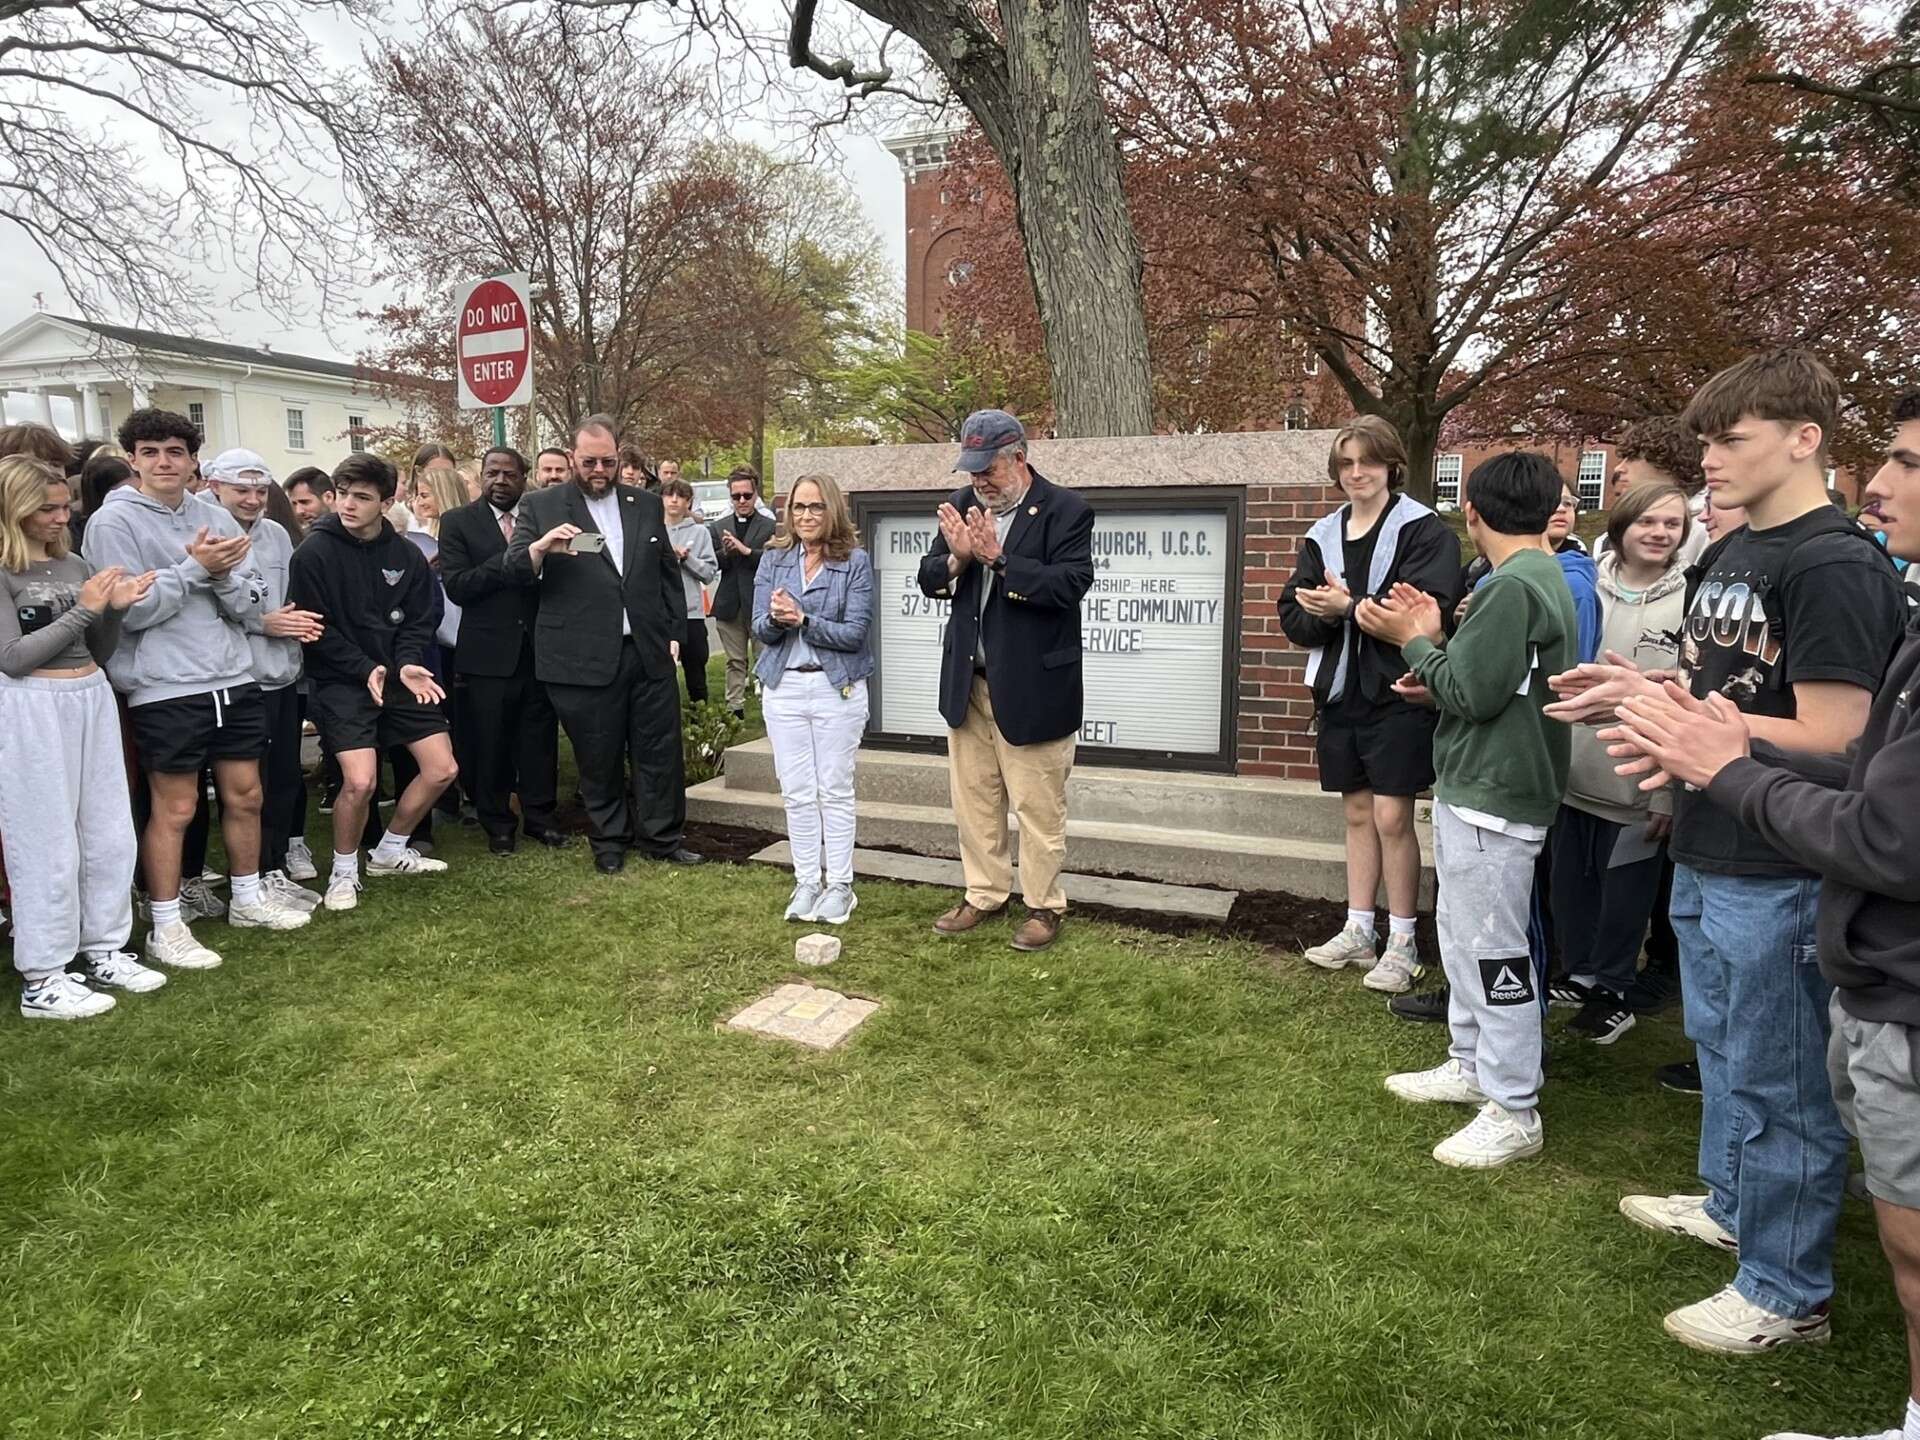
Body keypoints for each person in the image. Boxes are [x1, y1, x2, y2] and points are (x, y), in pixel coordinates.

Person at [1547, 349, 1904, 1353]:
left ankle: (1788, 1293)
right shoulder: (1738, 549)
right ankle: (1733, 1207)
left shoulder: (1831, 562)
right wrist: (1642, 695)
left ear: (1805, 440)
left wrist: (1705, 735)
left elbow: (1843, 737)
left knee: (1781, 1076)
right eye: (1704, 439)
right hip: (1706, 839)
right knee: (1726, 1053)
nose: (1707, 458)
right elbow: (1734, 699)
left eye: (1730, 439)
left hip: (1783, 858)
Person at [1354, 451, 1576, 1168]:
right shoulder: (1532, 576)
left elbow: (1476, 696)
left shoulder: (1514, 586)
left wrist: (1411, 640)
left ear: (1471, 512)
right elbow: (1487, 681)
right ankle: (1470, 1062)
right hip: (1480, 786)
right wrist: (1437, 665)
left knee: (1496, 951)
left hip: (1496, 793)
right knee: (1461, 935)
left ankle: (1514, 1106)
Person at [82, 407, 310, 968]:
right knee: (177, 807)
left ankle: (247, 896)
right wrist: (196, 572)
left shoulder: (214, 515)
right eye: (152, 452)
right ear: (132, 459)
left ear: (193, 462)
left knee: (246, 795)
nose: (164, 462)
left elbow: (253, 603)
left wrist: (220, 575)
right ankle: (165, 923)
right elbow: (131, 611)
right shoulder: (113, 523)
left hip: (234, 676)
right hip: (163, 686)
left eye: (176, 452)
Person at [1280, 417, 1461, 992]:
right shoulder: (1321, 535)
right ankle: (1360, 929)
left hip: (1400, 691)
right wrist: (1331, 613)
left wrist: (1346, 605)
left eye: (1368, 462)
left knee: (1392, 816)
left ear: (1391, 466)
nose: (1357, 473)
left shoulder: (1423, 531)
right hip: (1338, 693)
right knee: (1357, 813)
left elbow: (1423, 617)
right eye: (1346, 465)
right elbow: (1294, 615)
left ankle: (1404, 938)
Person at [917, 410, 1094, 953]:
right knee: (974, 801)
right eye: (971, 470)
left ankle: (1044, 905)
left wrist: (998, 559)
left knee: (1038, 807)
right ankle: (985, 892)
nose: (979, 482)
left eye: (988, 468)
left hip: (1033, 688)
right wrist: (958, 558)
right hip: (967, 686)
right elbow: (928, 577)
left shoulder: (1066, 510)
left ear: (1019, 456)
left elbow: (1070, 585)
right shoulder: (963, 505)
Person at [0, 456, 164, 1018]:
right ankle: (43, 975)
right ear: (13, 508)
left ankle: (104, 947)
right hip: (31, 705)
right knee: (45, 836)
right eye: (44, 508)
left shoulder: (74, 564)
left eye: (62, 505)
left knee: (108, 828)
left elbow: (97, 650)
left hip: (89, 694)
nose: (59, 516)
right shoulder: (5, 570)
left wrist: (112, 613)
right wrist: (86, 610)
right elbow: (13, 658)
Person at [507, 414, 702, 875]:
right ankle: (609, 840)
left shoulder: (645, 503)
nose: (599, 470)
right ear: (572, 457)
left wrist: (674, 632)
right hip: (581, 656)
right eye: (590, 461)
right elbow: (513, 569)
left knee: (659, 749)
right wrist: (540, 548)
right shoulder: (542, 505)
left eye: (608, 461)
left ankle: (662, 838)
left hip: (647, 650)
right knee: (599, 752)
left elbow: (665, 573)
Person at [1546, 483, 1692, 1045]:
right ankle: (1580, 977)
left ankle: (1614, 989)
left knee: (1626, 893)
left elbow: (1689, 699)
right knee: (1571, 886)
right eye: (1647, 522)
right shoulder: (1585, 587)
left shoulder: (1690, 599)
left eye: (1672, 525)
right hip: (1575, 772)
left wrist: (1667, 792)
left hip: (1640, 780)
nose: (1659, 533)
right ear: (1622, 525)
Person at [288, 453, 457, 911]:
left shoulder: (405, 555)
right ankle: (344, 872)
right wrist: (365, 669)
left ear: (386, 502)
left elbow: (422, 618)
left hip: (399, 677)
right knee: (360, 783)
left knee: (442, 768)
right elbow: (314, 628)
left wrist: (403, 664)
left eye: (362, 497)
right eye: (343, 494)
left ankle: (390, 851)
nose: (348, 505)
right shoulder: (312, 553)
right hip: (341, 680)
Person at [202, 449, 325, 914]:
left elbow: (286, 600)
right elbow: (210, 606)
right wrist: (264, 623)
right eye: (241, 490)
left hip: (282, 673)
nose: (253, 500)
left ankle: (273, 868)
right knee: (245, 787)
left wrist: (292, 626)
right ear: (215, 486)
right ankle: (249, 880)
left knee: (284, 776)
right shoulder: (206, 533)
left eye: (259, 490)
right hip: (236, 676)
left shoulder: (275, 533)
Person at [754, 473, 873, 926]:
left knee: (835, 789)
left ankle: (840, 885)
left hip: (835, 687)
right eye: (799, 507)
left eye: (816, 507)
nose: (806, 515)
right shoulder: (774, 560)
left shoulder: (854, 563)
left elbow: (854, 634)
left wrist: (803, 619)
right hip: (783, 687)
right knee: (797, 791)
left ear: (833, 512)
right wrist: (777, 620)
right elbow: (758, 630)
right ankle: (806, 881)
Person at [438, 446, 566, 854]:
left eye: (509, 474)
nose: (500, 481)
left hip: (538, 650)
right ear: (481, 475)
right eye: (492, 473)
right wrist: (522, 557)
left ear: (523, 476)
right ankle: (498, 825)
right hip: (487, 655)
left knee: (538, 741)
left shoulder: (541, 517)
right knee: (489, 742)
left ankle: (541, 819)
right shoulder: (458, 522)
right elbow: (458, 586)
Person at [1595, 416, 1711, 569]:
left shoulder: (1707, 530)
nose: (1619, 468)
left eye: (1632, 458)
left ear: (1669, 462)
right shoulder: (1606, 540)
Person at [709, 464, 776, 719]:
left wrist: (746, 551)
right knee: (734, 661)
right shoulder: (718, 527)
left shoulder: (770, 526)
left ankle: (769, 706)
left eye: (747, 495)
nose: (742, 501)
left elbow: (775, 561)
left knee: (764, 658)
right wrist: (727, 551)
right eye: (736, 496)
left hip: (760, 602)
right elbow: (713, 563)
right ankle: (734, 709)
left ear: (756, 494)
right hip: (729, 603)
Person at [661, 476, 717, 704]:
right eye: (669, 494)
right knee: (662, 677)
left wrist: (686, 558)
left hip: (691, 614)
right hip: (661, 615)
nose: (674, 500)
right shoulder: (651, 529)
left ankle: (702, 727)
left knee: (696, 676)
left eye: (680, 496)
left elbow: (709, 573)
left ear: (689, 502)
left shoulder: (700, 532)